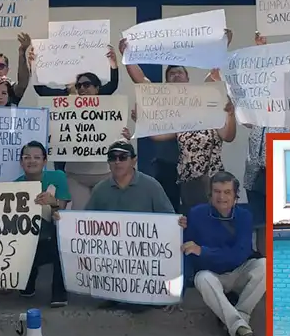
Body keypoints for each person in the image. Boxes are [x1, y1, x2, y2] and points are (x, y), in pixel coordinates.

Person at [120, 33, 233, 211]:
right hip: (166, 162)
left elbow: (213, 74)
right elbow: (140, 80)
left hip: (195, 168)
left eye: (179, 72)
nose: (176, 75)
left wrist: (224, 44)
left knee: (198, 210)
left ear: (187, 78)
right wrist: (127, 55)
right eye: (171, 73)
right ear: (166, 80)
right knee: (168, 210)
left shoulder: (198, 97)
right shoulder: (161, 96)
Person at [182, 171, 265, 336]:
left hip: (239, 271)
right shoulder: (197, 214)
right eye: (217, 192)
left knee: (266, 266)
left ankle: (238, 320)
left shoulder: (244, 216)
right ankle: (245, 332)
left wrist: (203, 251)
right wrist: (178, 291)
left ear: (235, 196)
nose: (222, 197)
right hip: (213, 275)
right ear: (210, 195)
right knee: (201, 278)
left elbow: (239, 254)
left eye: (227, 192)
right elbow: (186, 251)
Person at [34, 46, 121, 209]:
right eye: (79, 86)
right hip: (75, 173)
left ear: (97, 89)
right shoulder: (65, 102)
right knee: (81, 213)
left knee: (104, 213)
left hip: (103, 172)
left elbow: (113, 84)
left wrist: (113, 65)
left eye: (87, 85)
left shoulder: (105, 103)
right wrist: (34, 64)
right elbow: (40, 89)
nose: (82, 89)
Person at [15, 141, 70, 307]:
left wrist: (52, 202)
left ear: (45, 161)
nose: (32, 161)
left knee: (62, 239)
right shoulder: (15, 185)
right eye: (27, 157)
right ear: (21, 162)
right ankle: (27, 281)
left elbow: (62, 213)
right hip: (27, 238)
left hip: (51, 234)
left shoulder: (58, 177)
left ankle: (59, 293)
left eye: (37, 157)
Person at [84, 140, 175, 213]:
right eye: (112, 157)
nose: (117, 162)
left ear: (133, 161)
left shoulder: (152, 186)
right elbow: (86, 220)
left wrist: (179, 222)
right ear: (108, 162)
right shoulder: (100, 189)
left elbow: (168, 217)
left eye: (123, 157)